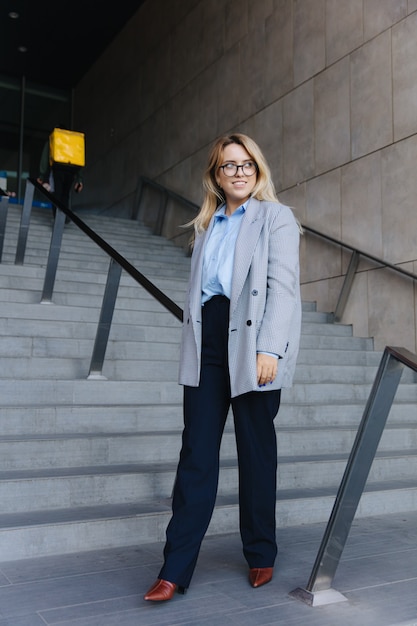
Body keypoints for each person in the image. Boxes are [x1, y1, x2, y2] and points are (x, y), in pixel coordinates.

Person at [144, 133, 302, 602]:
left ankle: (261, 552)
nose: (238, 172)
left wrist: (269, 349)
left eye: (246, 163)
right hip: (208, 341)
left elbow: (284, 289)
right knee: (196, 454)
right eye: (228, 165)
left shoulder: (276, 218)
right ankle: (174, 569)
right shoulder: (207, 225)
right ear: (216, 175)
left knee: (256, 451)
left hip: (252, 338)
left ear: (258, 168)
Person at [37, 125, 83, 221]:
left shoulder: (53, 139)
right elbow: (80, 158)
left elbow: (45, 158)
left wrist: (41, 175)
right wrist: (79, 179)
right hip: (71, 170)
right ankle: (64, 216)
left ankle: (58, 218)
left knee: (57, 193)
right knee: (65, 194)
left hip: (58, 168)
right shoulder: (73, 142)